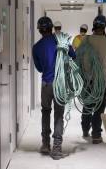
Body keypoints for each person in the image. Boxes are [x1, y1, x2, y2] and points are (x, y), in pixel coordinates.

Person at [32, 16, 75, 159]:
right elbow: (73, 56)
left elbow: (39, 68)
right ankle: (56, 148)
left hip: (46, 84)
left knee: (45, 112)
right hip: (59, 84)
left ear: (39, 30)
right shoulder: (62, 41)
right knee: (58, 115)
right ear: (51, 28)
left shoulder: (36, 47)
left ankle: (45, 144)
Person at [80, 15, 106, 144]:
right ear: (104, 27)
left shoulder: (85, 40)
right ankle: (96, 135)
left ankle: (85, 129)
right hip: (101, 80)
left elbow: (77, 57)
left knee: (87, 105)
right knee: (99, 108)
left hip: (87, 79)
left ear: (94, 26)